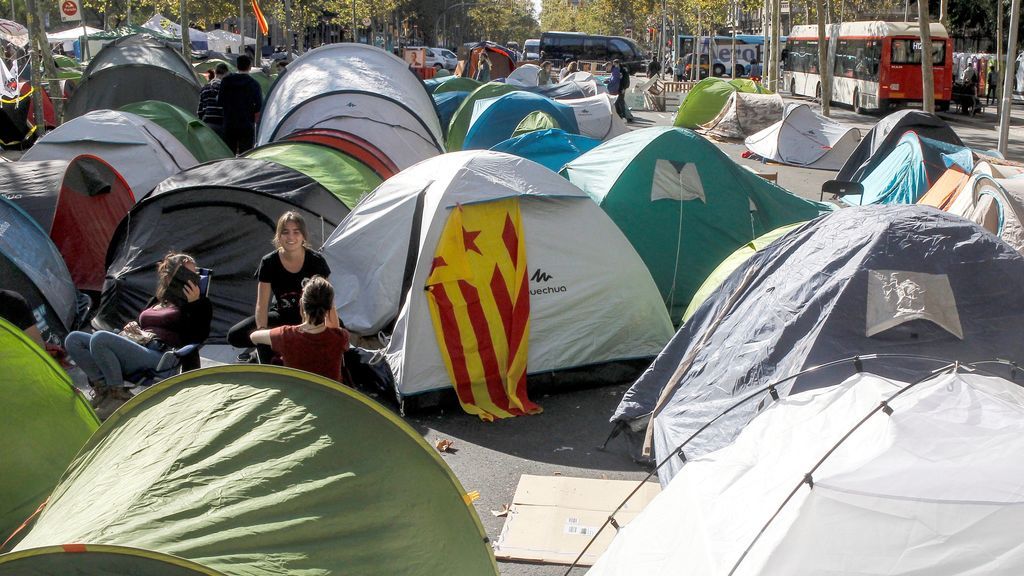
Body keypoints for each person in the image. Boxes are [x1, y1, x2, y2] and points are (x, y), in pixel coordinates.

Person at [65, 254, 212, 405]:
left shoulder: (200, 304)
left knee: (100, 338)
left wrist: (194, 305)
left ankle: (118, 396)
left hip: (159, 355)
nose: (192, 279)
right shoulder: (158, 300)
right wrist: (133, 325)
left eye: (194, 275)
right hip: (137, 343)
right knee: (74, 339)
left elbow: (198, 336)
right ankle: (104, 391)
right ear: (170, 277)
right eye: (186, 274)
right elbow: (142, 321)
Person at [227, 211, 331, 363]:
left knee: (339, 330)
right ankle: (268, 350)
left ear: (303, 235)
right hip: (281, 316)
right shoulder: (269, 262)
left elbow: (328, 302)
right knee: (234, 335)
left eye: (296, 232)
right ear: (278, 236)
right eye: (285, 232)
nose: (291, 237)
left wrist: (326, 330)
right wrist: (262, 333)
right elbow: (261, 305)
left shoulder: (316, 261)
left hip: (309, 318)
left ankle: (289, 345)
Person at [250, 276, 350, 383]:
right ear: (329, 307)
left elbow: (253, 337)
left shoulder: (286, 335)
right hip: (331, 396)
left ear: (302, 303)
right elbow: (333, 327)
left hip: (298, 395)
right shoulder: (340, 337)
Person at [218, 54, 263, 154]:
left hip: (229, 123)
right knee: (245, 154)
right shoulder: (254, 84)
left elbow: (220, 101)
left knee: (229, 153)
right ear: (250, 67)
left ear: (236, 66)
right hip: (246, 124)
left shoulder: (226, 81)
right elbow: (259, 106)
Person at [197, 62, 229, 138]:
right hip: (222, 124)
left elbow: (200, 111)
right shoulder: (227, 88)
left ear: (215, 72)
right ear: (226, 73)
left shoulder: (205, 88)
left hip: (207, 125)